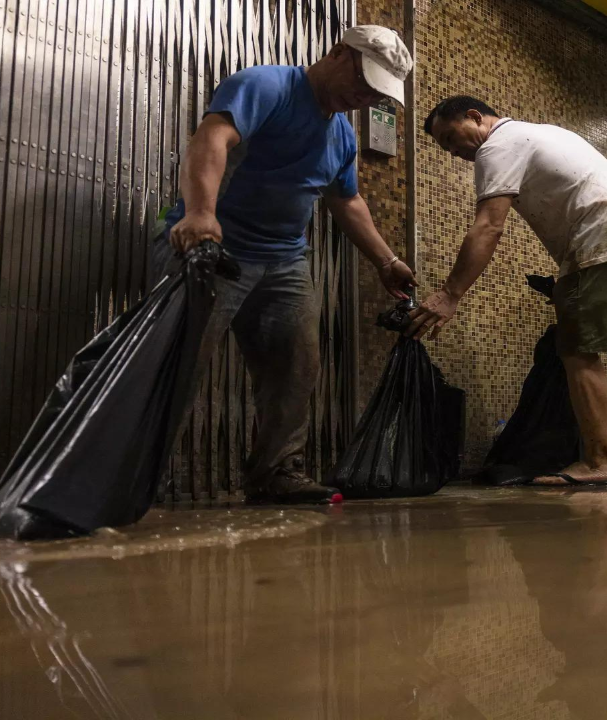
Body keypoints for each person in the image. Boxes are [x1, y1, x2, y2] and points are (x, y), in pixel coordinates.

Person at [155, 26, 416, 504]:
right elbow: (212, 139)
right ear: (339, 52)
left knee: (298, 364)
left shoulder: (341, 136)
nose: (363, 98)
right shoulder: (269, 85)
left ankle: (275, 472)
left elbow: (348, 201)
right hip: (215, 249)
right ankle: (138, 471)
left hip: (283, 261)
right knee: (178, 363)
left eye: (375, 93)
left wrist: (386, 260)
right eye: (363, 83)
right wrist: (200, 213)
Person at [413, 96, 607, 486]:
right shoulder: (542, 133)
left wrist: (450, 294)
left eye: (451, 138)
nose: (454, 152)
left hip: (601, 245)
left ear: (475, 117)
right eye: (445, 148)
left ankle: (597, 462)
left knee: (578, 353)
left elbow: (489, 226)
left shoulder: (497, 145)